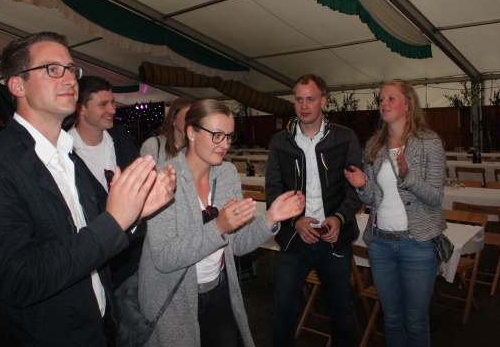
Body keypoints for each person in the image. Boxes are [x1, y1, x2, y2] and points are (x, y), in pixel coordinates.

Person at [0, 31, 176, 346]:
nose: (71, 79)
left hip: (96, 329)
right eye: (53, 69)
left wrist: (137, 212)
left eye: (71, 69)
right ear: (17, 85)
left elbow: (96, 230)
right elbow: (19, 280)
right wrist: (116, 220)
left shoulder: (68, 157)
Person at [138, 99, 305, 347]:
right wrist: (218, 227)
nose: (225, 144)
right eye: (217, 135)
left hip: (218, 291)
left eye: (229, 136)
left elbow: (235, 245)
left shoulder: (226, 174)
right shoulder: (165, 179)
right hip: (174, 300)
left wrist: (270, 218)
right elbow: (164, 258)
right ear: (191, 132)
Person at [344, 79, 446, 347]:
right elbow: (372, 199)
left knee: (416, 320)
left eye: (391, 98)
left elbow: (435, 198)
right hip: (380, 243)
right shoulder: (374, 145)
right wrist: (362, 185)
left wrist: (408, 177)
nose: (384, 103)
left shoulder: (429, 142)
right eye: (381, 99)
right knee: (391, 318)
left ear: (409, 104)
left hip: (417, 243)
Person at [266, 74, 363, 347]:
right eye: (299, 99)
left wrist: (339, 218)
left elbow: (355, 189)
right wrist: (296, 220)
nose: (304, 105)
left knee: (342, 313)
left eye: (310, 99)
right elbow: (273, 190)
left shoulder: (345, 137)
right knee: (283, 311)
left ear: (323, 101)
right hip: (295, 238)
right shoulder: (280, 141)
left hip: (333, 238)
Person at [68, 75, 146, 290]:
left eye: (112, 102)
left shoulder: (122, 142)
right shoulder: (63, 152)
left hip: (133, 258)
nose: (112, 109)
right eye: (103, 104)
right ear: (81, 108)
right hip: (93, 265)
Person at [140, 96, 195, 166]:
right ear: (173, 120)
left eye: (195, 117)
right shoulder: (153, 145)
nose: (192, 121)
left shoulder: (199, 147)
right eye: (188, 116)